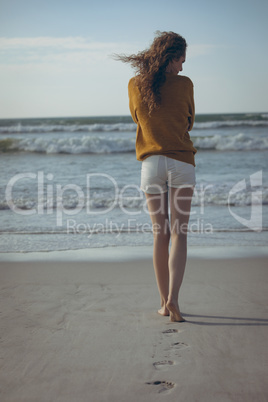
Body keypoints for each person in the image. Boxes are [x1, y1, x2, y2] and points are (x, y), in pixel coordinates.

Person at [117, 31, 197, 322]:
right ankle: (175, 300)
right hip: (181, 162)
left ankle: (163, 303)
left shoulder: (135, 84)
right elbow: (189, 118)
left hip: (151, 164)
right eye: (181, 60)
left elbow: (137, 119)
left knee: (159, 234)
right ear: (172, 56)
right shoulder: (185, 84)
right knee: (179, 234)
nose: (182, 67)